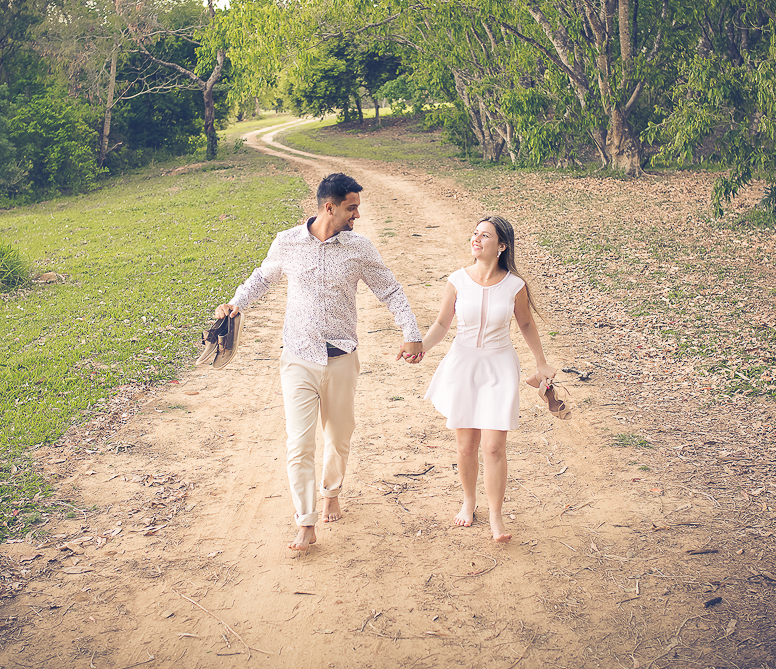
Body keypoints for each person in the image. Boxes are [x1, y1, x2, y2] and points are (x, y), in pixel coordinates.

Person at [213, 173, 424, 552]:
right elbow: (264, 277)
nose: (357, 215)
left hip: (343, 357)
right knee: (299, 444)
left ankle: (332, 491)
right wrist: (236, 302)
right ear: (330, 207)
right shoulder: (288, 242)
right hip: (298, 358)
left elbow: (390, 288)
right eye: (351, 208)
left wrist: (411, 331)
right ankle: (306, 522)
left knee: (339, 438)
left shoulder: (359, 247)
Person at [420, 215, 554, 542]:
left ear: (501, 246)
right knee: (467, 446)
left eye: (485, 236)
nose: (476, 239)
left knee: (494, 447)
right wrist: (420, 347)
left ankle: (496, 516)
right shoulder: (457, 280)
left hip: (499, 366)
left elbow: (525, 325)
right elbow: (441, 324)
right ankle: (469, 502)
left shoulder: (514, 286)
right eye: (475, 233)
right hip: (463, 364)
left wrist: (542, 363)